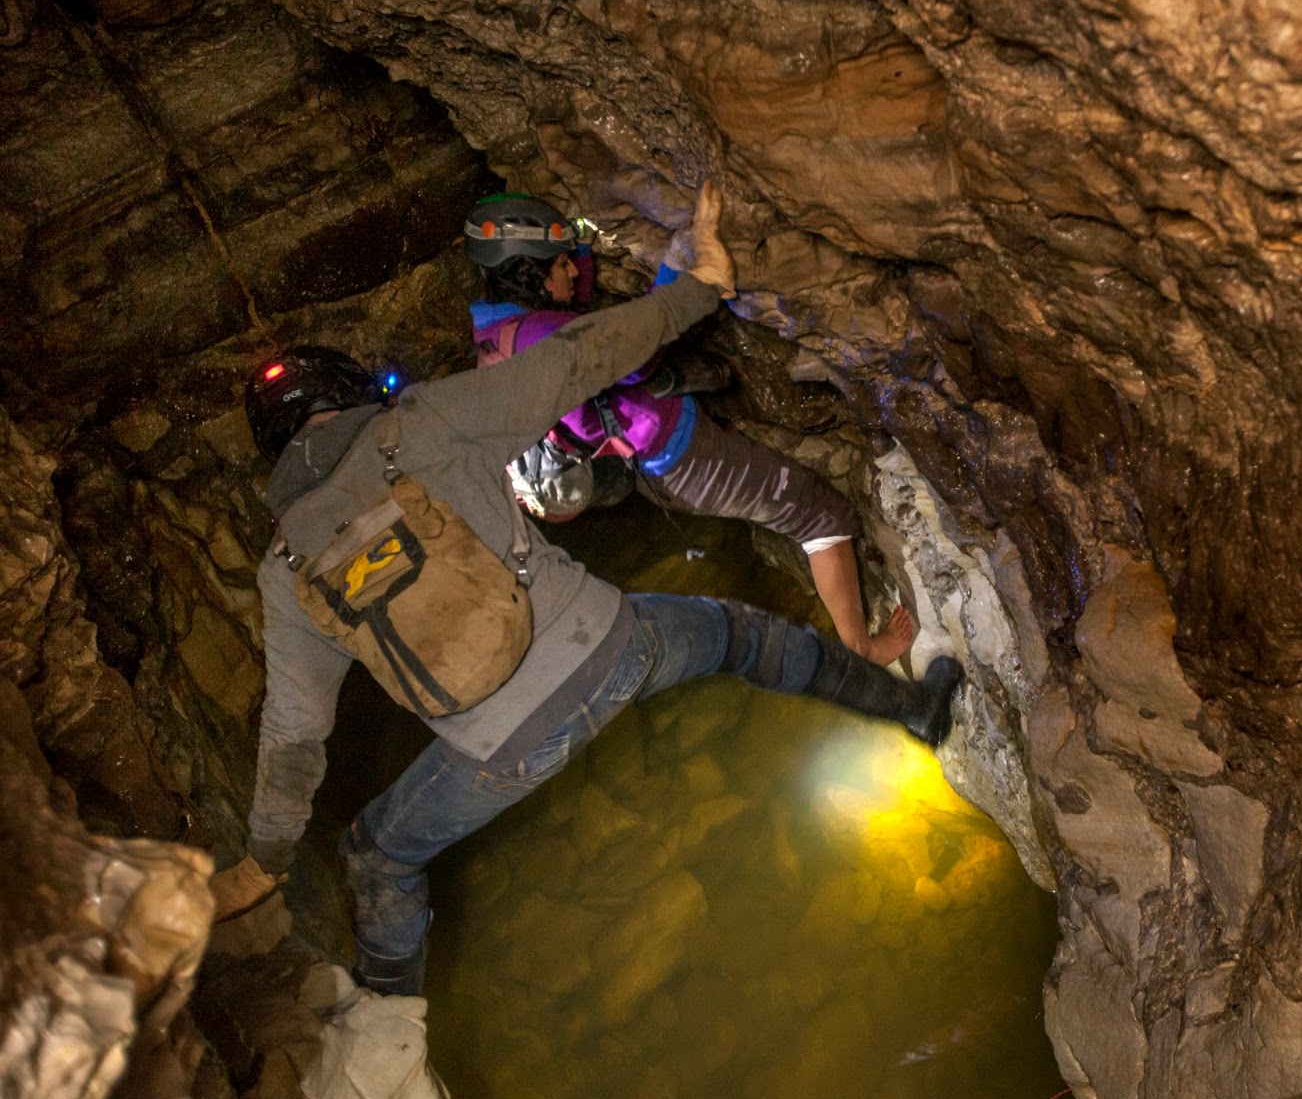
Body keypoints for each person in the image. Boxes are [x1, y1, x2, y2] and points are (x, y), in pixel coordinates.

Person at [212, 184, 964, 996]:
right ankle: (916, 711)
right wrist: (698, 288)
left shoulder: (283, 569)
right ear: (348, 397)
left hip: (495, 753)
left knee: (377, 855)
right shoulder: (425, 422)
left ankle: (389, 1030)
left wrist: (265, 859)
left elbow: (294, 735)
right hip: (615, 645)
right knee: (744, 637)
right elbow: (580, 360)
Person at [465, 192, 915, 667]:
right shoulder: (541, 339)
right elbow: (635, 360)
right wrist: (679, 263)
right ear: (531, 272)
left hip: (652, 455)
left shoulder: (502, 329)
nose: (574, 271)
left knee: (791, 499)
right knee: (821, 514)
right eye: (561, 263)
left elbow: (576, 312)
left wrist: (577, 238)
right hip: (680, 459)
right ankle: (861, 652)